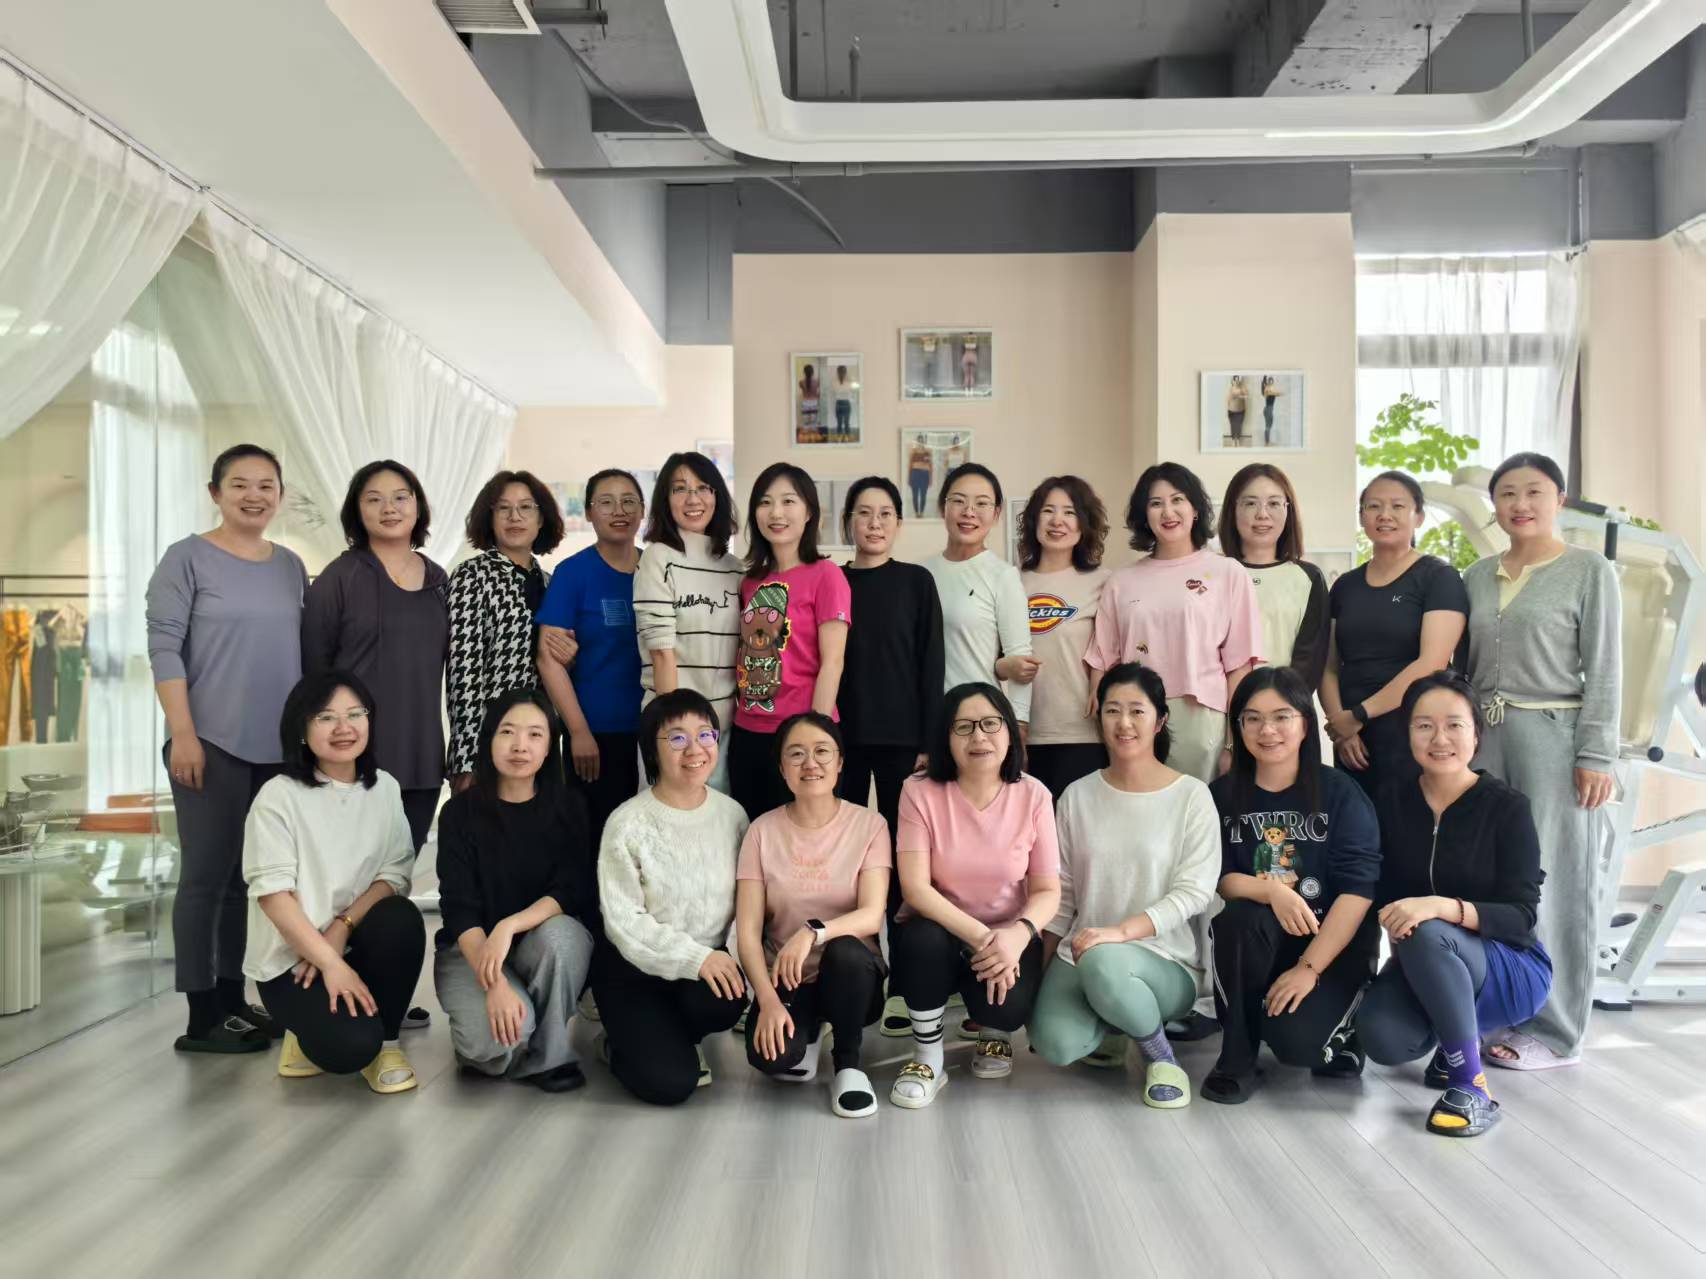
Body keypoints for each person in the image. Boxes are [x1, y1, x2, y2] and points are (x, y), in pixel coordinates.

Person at [1461, 452, 1619, 1071]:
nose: (1519, 504)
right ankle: (1497, 1009)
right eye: (1507, 493)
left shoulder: (1588, 570)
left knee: (1555, 880)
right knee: (1488, 877)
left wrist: (1596, 752)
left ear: (1559, 499)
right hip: (1483, 739)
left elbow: (1604, 668)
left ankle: (1556, 1031)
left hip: (1555, 740)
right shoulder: (1476, 575)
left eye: (1534, 491)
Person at [148, 443, 308, 1053]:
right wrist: (183, 733)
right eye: (239, 484)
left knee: (248, 880)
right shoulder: (185, 558)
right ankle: (200, 1017)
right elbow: (164, 649)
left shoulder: (289, 565)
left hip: (276, 749)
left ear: (280, 496)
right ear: (215, 493)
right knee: (205, 877)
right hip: (208, 742)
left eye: (266, 485)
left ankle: (232, 998)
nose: (253, 495)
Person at [1357, 672, 1551, 1137]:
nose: (1439, 739)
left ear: (1476, 734)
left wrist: (1441, 907)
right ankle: (1452, 1044)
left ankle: (1472, 1086)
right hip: (1424, 961)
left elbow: (1522, 916)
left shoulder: (1507, 808)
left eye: (1454, 725)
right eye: (1424, 726)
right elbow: (1374, 889)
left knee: (1429, 930)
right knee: (1382, 1038)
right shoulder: (1390, 801)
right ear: (1408, 734)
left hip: (1509, 968)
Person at [1028, 664, 1220, 1108]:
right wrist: (1039, 974)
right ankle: (1117, 1020)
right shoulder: (1077, 796)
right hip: (1084, 952)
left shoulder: (1191, 796)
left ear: (1160, 720)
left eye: (1137, 710)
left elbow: (1195, 892)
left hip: (1165, 960)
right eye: (1112, 710)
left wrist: (1119, 932)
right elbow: (1063, 895)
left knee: (1103, 961)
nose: (1124, 722)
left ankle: (1161, 1057)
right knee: (1054, 1043)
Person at [1204, 666, 1381, 1103]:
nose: (1267, 731)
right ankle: (1236, 1057)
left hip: (1331, 948)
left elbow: (1358, 892)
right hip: (1261, 940)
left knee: (1299, 1048)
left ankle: (1344, 1025)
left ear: (1305, 723)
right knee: (1237, 920)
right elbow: (1217, 878)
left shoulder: (1340, 793)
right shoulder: (1221, 795)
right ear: (1238, 727)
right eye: (1253, 718)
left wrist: (1308, 969)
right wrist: (1271, 891)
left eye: (1281, 717)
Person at [242, 671, 425, 1094]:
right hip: (294, 964)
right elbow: (274, 898)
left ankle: (388, 1044)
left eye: (355, 714)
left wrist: (341, 929)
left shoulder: (385, 789)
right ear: (302, 730)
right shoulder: (278, 796)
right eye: (325, 717)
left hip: (351, 941)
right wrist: (328, 961)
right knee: (349, 1049)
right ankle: (304, 1033)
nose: (344, 727)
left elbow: (393, 876)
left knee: (399, 916)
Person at [889, 683, 1061, 1108]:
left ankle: (993, 1030)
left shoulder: (1035, 795)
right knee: (921, 939)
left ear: (1010, 732)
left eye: (990, 724)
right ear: (946, 738)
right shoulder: (919, 791)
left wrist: (1017, 935)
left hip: (1008, 934)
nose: (978, 737)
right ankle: (928, 1056)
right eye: (963, 727)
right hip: (942, 931)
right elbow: (915, 888)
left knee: (1007, 1010)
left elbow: (1047, 890)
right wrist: (984, 938)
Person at [433, 689, 598, 1094]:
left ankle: (550, 1052)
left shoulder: (569, 807)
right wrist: (495, 985)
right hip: (471, 950)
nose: (520, 745)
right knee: (491, 1048)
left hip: (536, 945)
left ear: (550, 747)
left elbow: (570, 890)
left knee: (564, 935)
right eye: (507, 732)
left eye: (535, 734)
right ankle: (516, 1026)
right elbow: (459, 909)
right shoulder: (459, 813)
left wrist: (509, 926)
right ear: (489, 739)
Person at [594, 689, 749, 1105]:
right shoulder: (627, 822)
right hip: (632, 971)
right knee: (672, 1085)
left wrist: (724, 958)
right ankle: (616, 1043)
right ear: (652, 750)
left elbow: (747, 905)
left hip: (698, 969)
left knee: (728, 999)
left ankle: (674, 1036)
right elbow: (625, 922)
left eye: (705, 735)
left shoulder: (732, 815)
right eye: (677, 737)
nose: (695, 749)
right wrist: (697, 959)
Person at [735, 713, 891, 1117]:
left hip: (853, 976)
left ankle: (849, 1064)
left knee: (845, 951)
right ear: (781, 767)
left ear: (840, 763)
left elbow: (871, 916)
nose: (810, 763)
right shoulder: (761, 831)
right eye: (796, 754)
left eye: (822, 751)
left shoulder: (870, 825)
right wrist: (766, 1000)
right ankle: (809, 1026)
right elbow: (748, 934)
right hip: (787, 978)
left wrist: (812, 932)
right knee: (772, 1059)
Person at [836, 479, 945, 1035]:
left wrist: (930, 740)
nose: (874, 523)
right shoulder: (832, 580)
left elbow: (932, 662)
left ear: (899, 523)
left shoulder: (916, 581)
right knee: (846, 858)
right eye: (864, 513)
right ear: (848, 523)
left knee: (907, 859)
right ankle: (849, 974)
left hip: (905, 740)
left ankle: (904, 984)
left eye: (885, 514)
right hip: (842, 740)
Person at [302, 460, 448, 851]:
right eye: (374, 499)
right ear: (357, 509)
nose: (389, 508)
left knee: (399, 872)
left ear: (417, 506)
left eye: (400, 497)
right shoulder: (339, 577)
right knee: (351, 872)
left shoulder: (439, 581)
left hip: (421, 756)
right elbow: (313, 674)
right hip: (352, 758)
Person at [1321, 471, 1468, 803]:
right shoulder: (1345, 585)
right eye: (1374, 506)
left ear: (1418, 517)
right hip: (1352, 740)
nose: (1384, 515)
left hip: (1413, 730)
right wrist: (1341, 727)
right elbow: (1327, 665)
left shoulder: (1439, 578)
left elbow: (1432, 662)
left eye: (1397, 506)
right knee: (1355, 824)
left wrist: (1358, 715)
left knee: (1408, 822)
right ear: (1361, 516)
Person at [729, 462, 851, 820]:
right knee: (753, 834)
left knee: (806, 835)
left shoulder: (826, 575)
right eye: (765, 502)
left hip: (801, 734)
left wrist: (814, 736)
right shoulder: (750, 581)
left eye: (788, 501)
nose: (776, 513)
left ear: (809, 512)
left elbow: (833, 662)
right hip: (748, 730)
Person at [536, 468, 645, 849]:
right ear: (588, 512)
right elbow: (548, 658)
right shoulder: (573, 573)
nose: (619, 510)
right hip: (595, 736)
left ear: (643, 510)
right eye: (606, 502)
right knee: (596, 841)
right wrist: (579, 731)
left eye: (629, 501)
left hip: (652, 730)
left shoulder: (656, 569)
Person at [446, 470, 569, 790]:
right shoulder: (471, 576)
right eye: (503, 508)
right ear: (489, 518)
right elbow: (463, 672)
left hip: (540, 739)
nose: (515, 517)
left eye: (526, 507)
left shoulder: (552, 582)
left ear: (541, 518)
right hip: (490, 739)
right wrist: (466, 758)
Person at [633, 452, 742, 794]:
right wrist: (675, 734)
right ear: (665, 500)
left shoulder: (736, 568)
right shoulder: (658, 558)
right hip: (674, 726)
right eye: (680, 489)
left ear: (716, 496)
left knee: (721, 820)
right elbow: (661, 652)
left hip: (724, 727)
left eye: (703, 488)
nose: (693, 499)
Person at [924, 463, 1037, 736]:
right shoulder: (920, 573)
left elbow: (1020, 659)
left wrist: (1020, 725)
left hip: (981, 721)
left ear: (996, 513)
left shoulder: (1002, 576)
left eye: (982, 503)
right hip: (926, 721)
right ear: (942, 507)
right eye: (958, 501)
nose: (969, 511)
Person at [1017, 475, 1111, 801]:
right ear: (1034, 520)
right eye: (1048, 511)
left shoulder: (1103, 582)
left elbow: (1109, 650)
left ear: (1085, 523)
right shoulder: (1010, 581)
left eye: (1069, 512)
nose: (1058, 521)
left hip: (1083, 733)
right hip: (1021, 735)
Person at [1218, 464, 1329, 691]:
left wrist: (1277, 704)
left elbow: (1310, 661)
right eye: (1250, 503)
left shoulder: (1309, 578)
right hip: (1220, 706)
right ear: (1232, 510)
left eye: (1274, 503)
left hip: (1287, 705)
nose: (1262, 514)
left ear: (1288, 510)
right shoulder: (1213, 574)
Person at [907, 442, 933, 519]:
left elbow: (931, 466)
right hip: (915, 473)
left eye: (922, 441)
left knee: (923, 495)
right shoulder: (913, 452)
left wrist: (930, 478)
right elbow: (910, 465)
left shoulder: (928, 452)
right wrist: (909, 478)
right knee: (915, 495)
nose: (921, 444)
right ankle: (916, 513)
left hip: (925, 474)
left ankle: (921, 512)